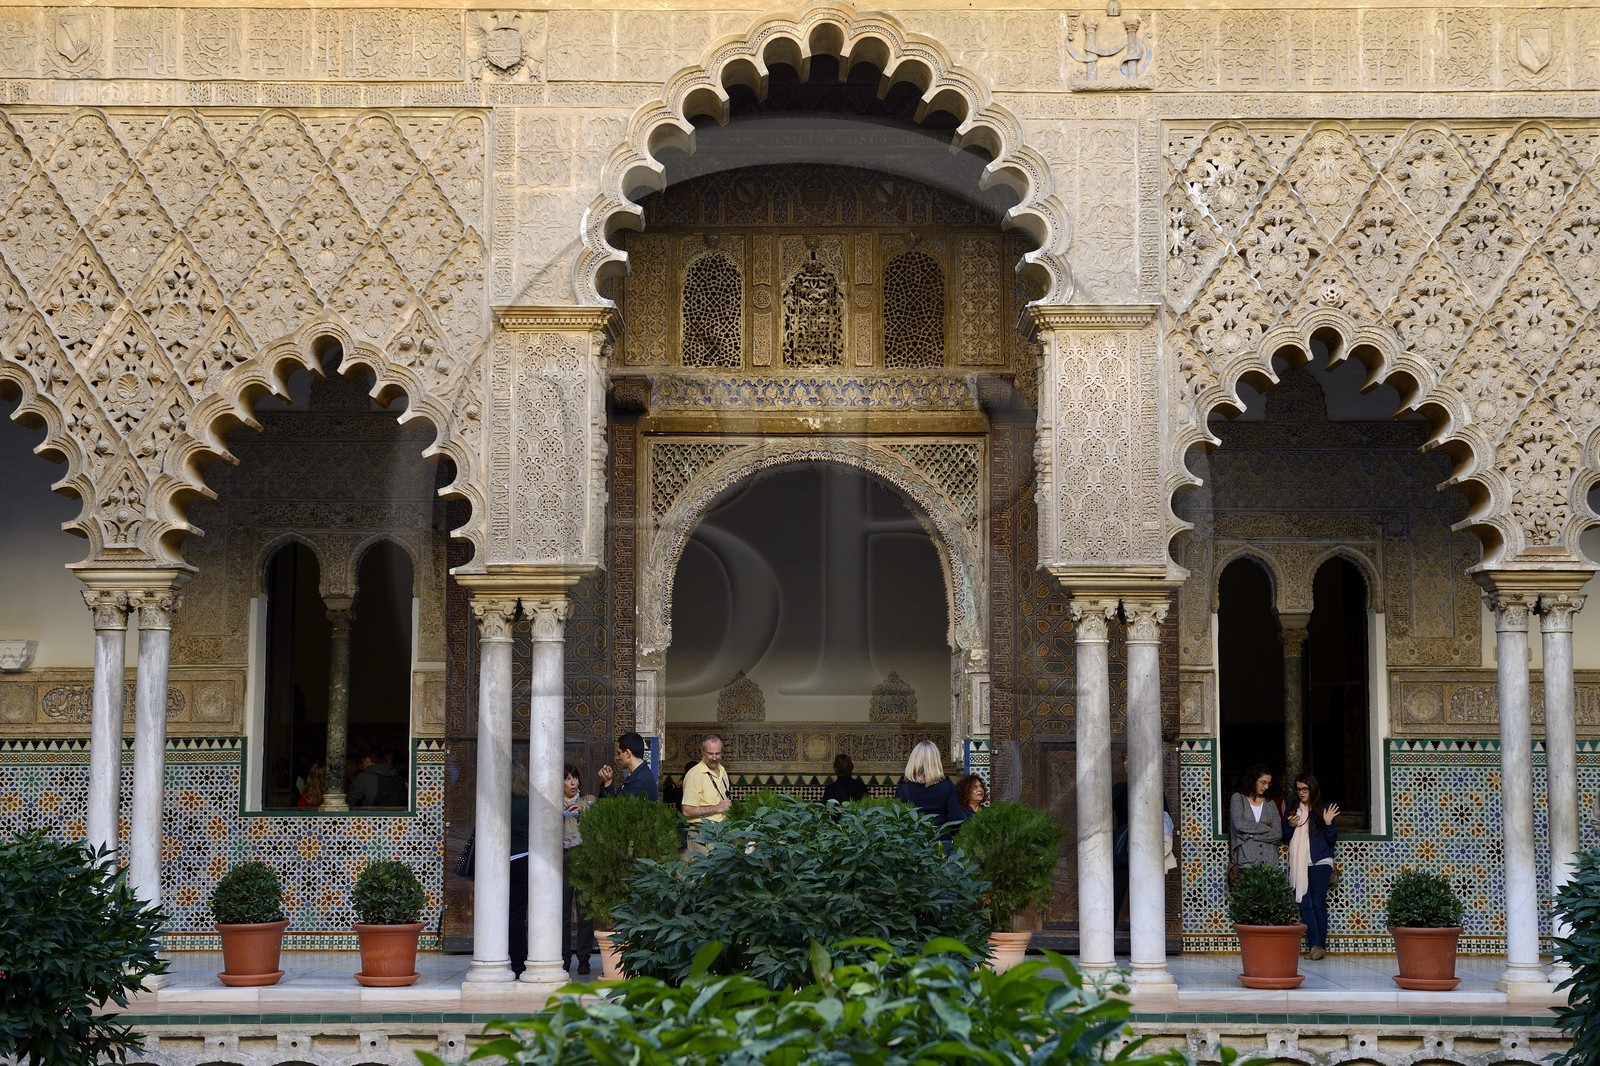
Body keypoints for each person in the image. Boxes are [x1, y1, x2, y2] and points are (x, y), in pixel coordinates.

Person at [1284, 773, 1339, 960]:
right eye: (1298, 789)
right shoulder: (1292, 811)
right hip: (1300, 864)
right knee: (1304, 904)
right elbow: (1285, 838)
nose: (1301, 793)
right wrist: (1290, 826)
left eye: (1305, 789)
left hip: (1320, 862)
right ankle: (1314, 945)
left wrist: (1329, 823)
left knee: (1317, 903)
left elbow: (1331, 839)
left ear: (1312, 789)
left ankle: (1320, 946)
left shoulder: (1323, 809)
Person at [561, 763, 597, 974]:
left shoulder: (589, 801)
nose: (572, 782)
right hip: (562, 858)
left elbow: (598, 825)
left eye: (574, 778)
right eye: (567, 778)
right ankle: (563, 957)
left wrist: (583, 811)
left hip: (583, 857)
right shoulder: (552, 802)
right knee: (563, 911)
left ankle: (584, 958)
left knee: (585, 911)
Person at [894, 740, 964, 836]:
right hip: (941, 844)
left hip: (913, 845)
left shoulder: (902, 789)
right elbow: (957, 821)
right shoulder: (948, 787)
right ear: (936, 761)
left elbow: (896, 823)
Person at [680, 734, 732, 854]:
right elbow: (687, 811)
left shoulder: (723, 771)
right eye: (710, 754)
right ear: (702, 751)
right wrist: (717, 808)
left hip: (721, 831)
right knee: (704, 873)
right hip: (702, 834)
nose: (714, 758)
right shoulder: (695, 774)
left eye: (717, 753)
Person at [1228, 763, 1282, 870]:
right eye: (1263, 782)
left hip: (1269, 863)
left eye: (1269, 783)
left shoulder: (1270, 804)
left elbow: (1277, 833)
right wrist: (1265, 828)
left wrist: (1253, 836)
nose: (1266, 787)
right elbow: (1240, 825)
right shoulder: (1238, 799)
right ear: (1253, 780)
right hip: (1245, 861)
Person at [507, 763, 531, 977]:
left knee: (505, 914)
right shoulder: (530, 802)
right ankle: (520, 961)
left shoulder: (501, 802)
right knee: (520, 913)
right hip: (525, 861)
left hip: (501, 864)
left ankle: (507, 958)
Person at [598, 731, 658, 800]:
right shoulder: (637, 775)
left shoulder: (640, 781)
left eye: (619, 753)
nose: (617, 758)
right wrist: (608, 781)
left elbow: (617, 808)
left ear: (627, 753)